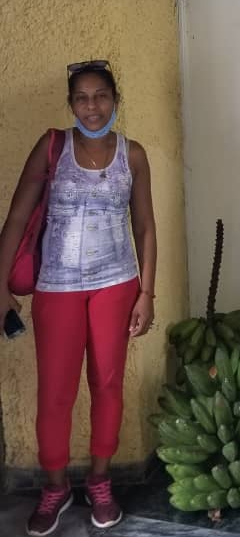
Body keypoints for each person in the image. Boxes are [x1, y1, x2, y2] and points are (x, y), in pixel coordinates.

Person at [0, 60, 157, 535]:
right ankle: (55, 488)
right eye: (82, 98)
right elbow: (16, 218)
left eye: (101, 96)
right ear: (71, 104)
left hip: (117, 285)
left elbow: (145, 226)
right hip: (57, 288)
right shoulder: (52, 148)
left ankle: (100, 481)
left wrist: (146, 292)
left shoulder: (133, 155)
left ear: (115, 99)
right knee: (55, 392)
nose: (93, 107)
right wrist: (0, 287)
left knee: (107, 385)